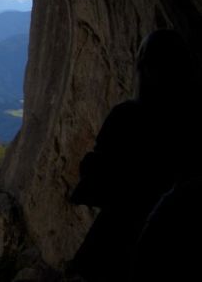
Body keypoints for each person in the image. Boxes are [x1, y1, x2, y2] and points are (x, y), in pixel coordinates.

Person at [69, 30, 196, 281]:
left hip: (116, 243)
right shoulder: (190, 123)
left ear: (147, 70)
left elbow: (97, 185)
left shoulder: (127, 118)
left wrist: (89, 167)